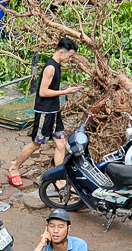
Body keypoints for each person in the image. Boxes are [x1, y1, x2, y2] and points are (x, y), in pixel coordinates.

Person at [6, 37, 82, 188]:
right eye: (70, 55)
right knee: (36, 144)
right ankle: (14, 169)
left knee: (61, 144)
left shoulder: (58, 65)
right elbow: (43, 92)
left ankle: (59, 179)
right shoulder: (50, 68)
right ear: (61, 52)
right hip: (45, 112)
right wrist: (65, 91)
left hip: (54, 111)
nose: (71, 58)